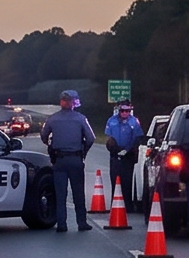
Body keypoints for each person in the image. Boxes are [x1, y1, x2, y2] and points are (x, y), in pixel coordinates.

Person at [39, 91, 99, 231]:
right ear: (74, 102)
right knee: (78, 192)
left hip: (59, 160)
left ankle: (62, 224)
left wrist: (51, 146)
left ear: (61, 102)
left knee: (60, 194)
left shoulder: (52, 119)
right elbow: (91, 138)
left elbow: (44, 136)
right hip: (76, 159)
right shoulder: (80, 119)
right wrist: (83, 151)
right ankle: (81, 223)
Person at [105, 104, 146, 214]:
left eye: (127, 111)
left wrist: (128, 150)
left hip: (129, 155)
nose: (125, 113)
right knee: (115, 179)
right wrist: (114, 149)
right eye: (123, 111)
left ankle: (128, 206)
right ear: (119, 111)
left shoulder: (134, 122)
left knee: (127, 181)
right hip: (115, 154)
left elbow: (138, 138)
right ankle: (115, 204)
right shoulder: (112, 120)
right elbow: (109, 137)